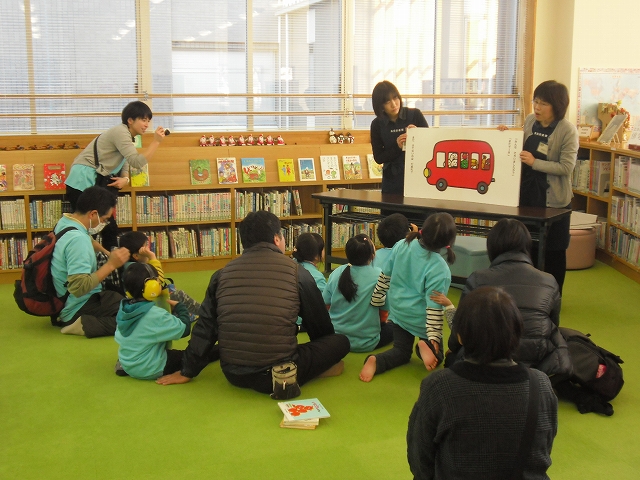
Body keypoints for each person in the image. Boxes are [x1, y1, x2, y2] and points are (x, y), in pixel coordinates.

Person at [156, 211, 350, 394]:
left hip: (233, 374)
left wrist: (187, 370)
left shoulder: (221, 274)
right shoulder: (297, 273)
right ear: (276, 239)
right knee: (340, 341)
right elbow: (320, 326)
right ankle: (311, 373)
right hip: (280, 373)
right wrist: (326, 355)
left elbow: (206, 326)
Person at [407, 286, 558, 480]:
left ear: (460, 334)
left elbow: (420, 458)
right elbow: (544, 447)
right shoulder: (541, 385)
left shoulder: (439, 386)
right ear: (517, 331)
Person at [437, 218, 573, 379]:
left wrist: (452, 348)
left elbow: (462, 327)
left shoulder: (478, 278)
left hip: (485, 358)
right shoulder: (549, 281)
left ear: (492, 246)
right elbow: (553, 323)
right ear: (527, 246)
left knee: (454, 357)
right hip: (535, 361)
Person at [499, 80, 578, 293]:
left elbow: (566, 167)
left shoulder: (567, 130)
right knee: (527, 246)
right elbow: (521, 147)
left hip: (553, 201)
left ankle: (553, 295)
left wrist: (536, 163)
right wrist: (507, 136)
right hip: (527, 195)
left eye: (543, 103)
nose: (537, 107)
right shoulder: (530, 121)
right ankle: (530, 291)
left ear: (557, 105)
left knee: (554, 250)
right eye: (536, 101)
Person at [360, 213, 456, 382]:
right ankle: (425, 347)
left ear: (423, 230)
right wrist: (433, 338)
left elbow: (385, 276)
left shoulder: (401, 245)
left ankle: (377, 360)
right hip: (421, 320)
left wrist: (377, 298)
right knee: (438, 357)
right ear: (448, 243)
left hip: (398, 313)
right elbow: (434, 307)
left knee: (401, 352)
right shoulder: (440, 268)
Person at [65, 101, 168, 250]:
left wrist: (125, 178)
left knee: (108, 227)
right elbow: (137, 162)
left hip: (94, 182)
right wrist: (156, 142)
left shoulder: (127, 136)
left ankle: (111, 263)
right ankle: (95, 264)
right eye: (143, 120)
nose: (146, 125)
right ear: (130, 120)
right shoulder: (120, 132)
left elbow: (126, 159)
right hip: (82, 180)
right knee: (89, 227)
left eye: (148, 121)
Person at [50, 186, 130, 337]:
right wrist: (111, 264)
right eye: (105, 219)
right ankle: (83, 324)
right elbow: (79, 287)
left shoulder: (66, 222)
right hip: (77, 306)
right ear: (93, 214)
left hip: (63, 300)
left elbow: (88, 239)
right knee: (136, 318)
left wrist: (106, 252)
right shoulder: (78, 241)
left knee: (126, 302)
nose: (105, 223)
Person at [114, 263, 192, 380]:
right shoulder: (154, 314)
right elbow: (184, 329)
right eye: (158, 282)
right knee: (193, 355)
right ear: (152, 286)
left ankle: (132, 365)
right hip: (150, 367)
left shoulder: (124, 308)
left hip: (127, 363)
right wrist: (180, 308)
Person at [323, 234, 393, 353]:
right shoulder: (380, 276)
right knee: (397, 326)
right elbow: (384, 314)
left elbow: (325, 304)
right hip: (367, 342)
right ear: (372, 255)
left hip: (336, 339)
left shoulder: (336, 272)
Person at [117, 231, 201, 318]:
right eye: (146, 246)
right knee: (179, 294)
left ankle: (185, 314)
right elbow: (158, 281)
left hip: (140, 301)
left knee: (171, 290)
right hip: (146, 302)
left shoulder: (129, 265)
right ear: (136, 256)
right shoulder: (136, 269)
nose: (148, 249)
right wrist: (152, 257)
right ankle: (203, 312)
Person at [370, 81, 429, 195]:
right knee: (392, 212)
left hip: (417, 175)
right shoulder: (377, 124)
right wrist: (397, 147)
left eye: (395, 98)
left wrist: (418, 135)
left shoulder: (415, 115)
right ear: (380, 106)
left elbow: (430, 144)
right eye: (387, 101)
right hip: (392, 180)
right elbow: (378, 157)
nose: (394, 104)